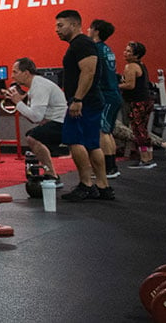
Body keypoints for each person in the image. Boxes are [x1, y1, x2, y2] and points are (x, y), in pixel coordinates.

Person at [54, 10, 113, 201]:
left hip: (83, 103)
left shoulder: (81, 43)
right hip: (89, 101)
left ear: (74, 24)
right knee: (92, 144)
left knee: (75, 141)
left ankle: (86, 184)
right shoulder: (81, 44)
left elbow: (88, 71)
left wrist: (77, 99)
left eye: (60, 25)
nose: (57, 30)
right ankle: (103, 186)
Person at [4, 57, 68, 183]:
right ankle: (51, 173)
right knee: (32, 135)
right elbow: (35, 119)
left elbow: (35, 117)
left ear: (26, 73)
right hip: (55, 121)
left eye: (15, 72)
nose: (12, 76)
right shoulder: (34, 86)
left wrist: (17, 102)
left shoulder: (39, 86)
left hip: (63, 123)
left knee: (33, 137)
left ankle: (52, 174)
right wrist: (19, 103)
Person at [88, 20, 123, 178]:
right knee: (108, 132)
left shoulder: (96, 49)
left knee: (103, 131)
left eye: (90, 28)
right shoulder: (107, 49)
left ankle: (109, 168)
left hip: (106, 94)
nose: (88, 30)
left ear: (96, 31)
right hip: (113, 93)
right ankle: (112, 167)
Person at [120, 41, 156, 169]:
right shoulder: (141, 65)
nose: (125, 53)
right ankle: (148, 158)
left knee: (139, 130)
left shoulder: (131, 66)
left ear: (136, 55)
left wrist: (115, 86)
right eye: (126, 50)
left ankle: (145, 159)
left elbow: (130, 85)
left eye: (129, 51)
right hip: (146, 100)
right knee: (143, 130)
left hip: (138, 102)